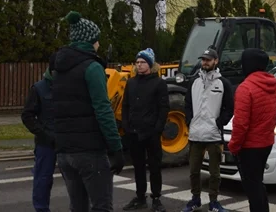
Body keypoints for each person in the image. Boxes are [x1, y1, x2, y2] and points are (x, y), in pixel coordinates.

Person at [53, 11, 125, 212]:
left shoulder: (58, 67)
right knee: (101, 206)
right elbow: (103, 110)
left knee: (77, 207)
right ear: (90, 41)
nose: (99, 44)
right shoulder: (92, 68)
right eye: (97, 40)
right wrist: (116, 148)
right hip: (89, 151)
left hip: (65, 151)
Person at [228, 48, 276, 212]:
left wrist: (234, 146)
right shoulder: (272, 85)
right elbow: (273, 113)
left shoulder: (245, 88)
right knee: (258, 182)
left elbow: (241, 123)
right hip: (266, 142)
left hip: (250, 145)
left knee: (252, 187)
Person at [183, 47, 234, 212]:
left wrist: (220, 122)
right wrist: (189, 121)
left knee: (214, 173)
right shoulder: (194, 81)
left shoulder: (223, 83)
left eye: (208, 60)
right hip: (196, 134)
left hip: (213, 134)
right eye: (203, 60)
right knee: (193, 172)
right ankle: (195, 199)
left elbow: (229, 107)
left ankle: (214, 201)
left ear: (215, 61)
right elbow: (188, 104)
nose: (205, 62)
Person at [121, 48, 170, 212]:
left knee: (155, 166)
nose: (139, 65)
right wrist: (126, 126)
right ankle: (140, 197)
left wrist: (157, 129)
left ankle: (156, 198)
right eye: (137, 62)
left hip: (151, 133)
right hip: (134, 132)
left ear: (150, 64)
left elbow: (163, 108)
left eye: (143, 62)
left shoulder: (159, 83)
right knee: (138, 167)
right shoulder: (131, 82)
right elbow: (125, 106)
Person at [21, 52, 58, 212]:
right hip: (46, 143)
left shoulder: (69, 87)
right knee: (43, 179)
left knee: (75, 180)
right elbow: (27, 116)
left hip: (67, 141)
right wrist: (43, 133)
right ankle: (41, 209)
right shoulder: (39, 88)